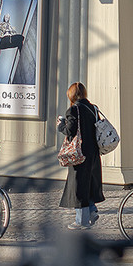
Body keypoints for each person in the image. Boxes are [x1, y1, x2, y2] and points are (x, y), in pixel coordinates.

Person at [56, 80, 104, 228]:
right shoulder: (93, 108)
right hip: (93, 152)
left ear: (71, 95)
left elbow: (70, 131)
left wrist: (60, 125)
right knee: (88, 184)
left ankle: (81, 221)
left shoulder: (73, 110)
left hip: (79, 154)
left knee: (79, 187)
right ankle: (92, 211)